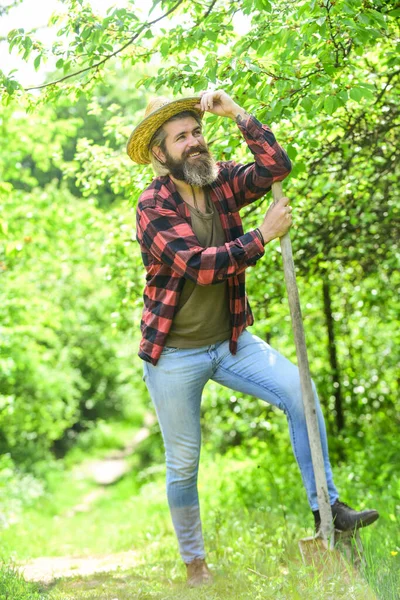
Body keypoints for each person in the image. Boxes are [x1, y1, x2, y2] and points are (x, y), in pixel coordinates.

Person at [127, 90, 379, 587]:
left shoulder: (220, 182)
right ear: (160, 154)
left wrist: (237, 113)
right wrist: (260, 236)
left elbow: (275, 166)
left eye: (197, 131)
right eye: (182, 137)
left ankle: (327, 509)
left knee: (299, 390)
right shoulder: (152, 205)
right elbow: (200, 267)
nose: (195, 142)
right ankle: (195, 564)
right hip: (173, 355)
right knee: (183, 463)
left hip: (230, 343)